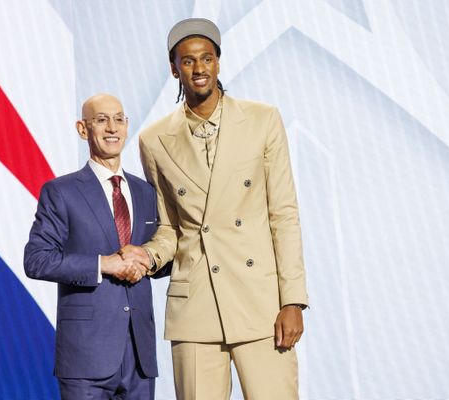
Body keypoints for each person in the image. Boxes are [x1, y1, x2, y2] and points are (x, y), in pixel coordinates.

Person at [121, 18, 309, 399]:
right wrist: (147, 256)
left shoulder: (262, 120)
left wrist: (292, 300)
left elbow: (283, 215)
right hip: (195, 308)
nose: (199, 68)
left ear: (219, 63)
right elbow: (170, 227)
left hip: (260, 303)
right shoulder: (154, 140)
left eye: (206, 58)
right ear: (174, 68)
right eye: (188, 61)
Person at [24, 93, 158, 399]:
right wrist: (103, 264)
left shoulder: (146, 192)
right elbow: (37, 260)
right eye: (101, 120)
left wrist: (148, 260)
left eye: (119, 119)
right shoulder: (61, 191)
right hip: (85, 357)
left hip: (140, 357)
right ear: (83, 129)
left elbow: (163, 257)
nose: (112, 128)